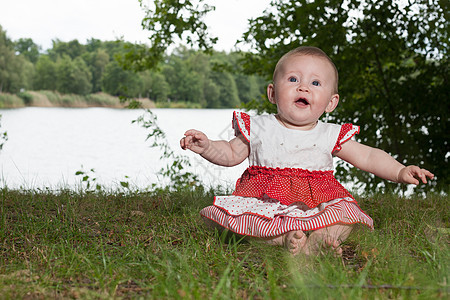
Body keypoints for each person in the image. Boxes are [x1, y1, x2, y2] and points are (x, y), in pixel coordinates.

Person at [180, 46, 434, 256]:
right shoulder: (259, 127)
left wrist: (400, 171)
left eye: (315, 83)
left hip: (317, 202)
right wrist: (209, 147)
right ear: (272, 92)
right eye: (293, 79)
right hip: (267, 204)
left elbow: (368, 156)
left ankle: (321, 240)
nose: (303, 88)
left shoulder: (329, 134)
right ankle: (280, 240)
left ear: (331, 102)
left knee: (344, 218)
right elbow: (231, 154)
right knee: (229, 220)